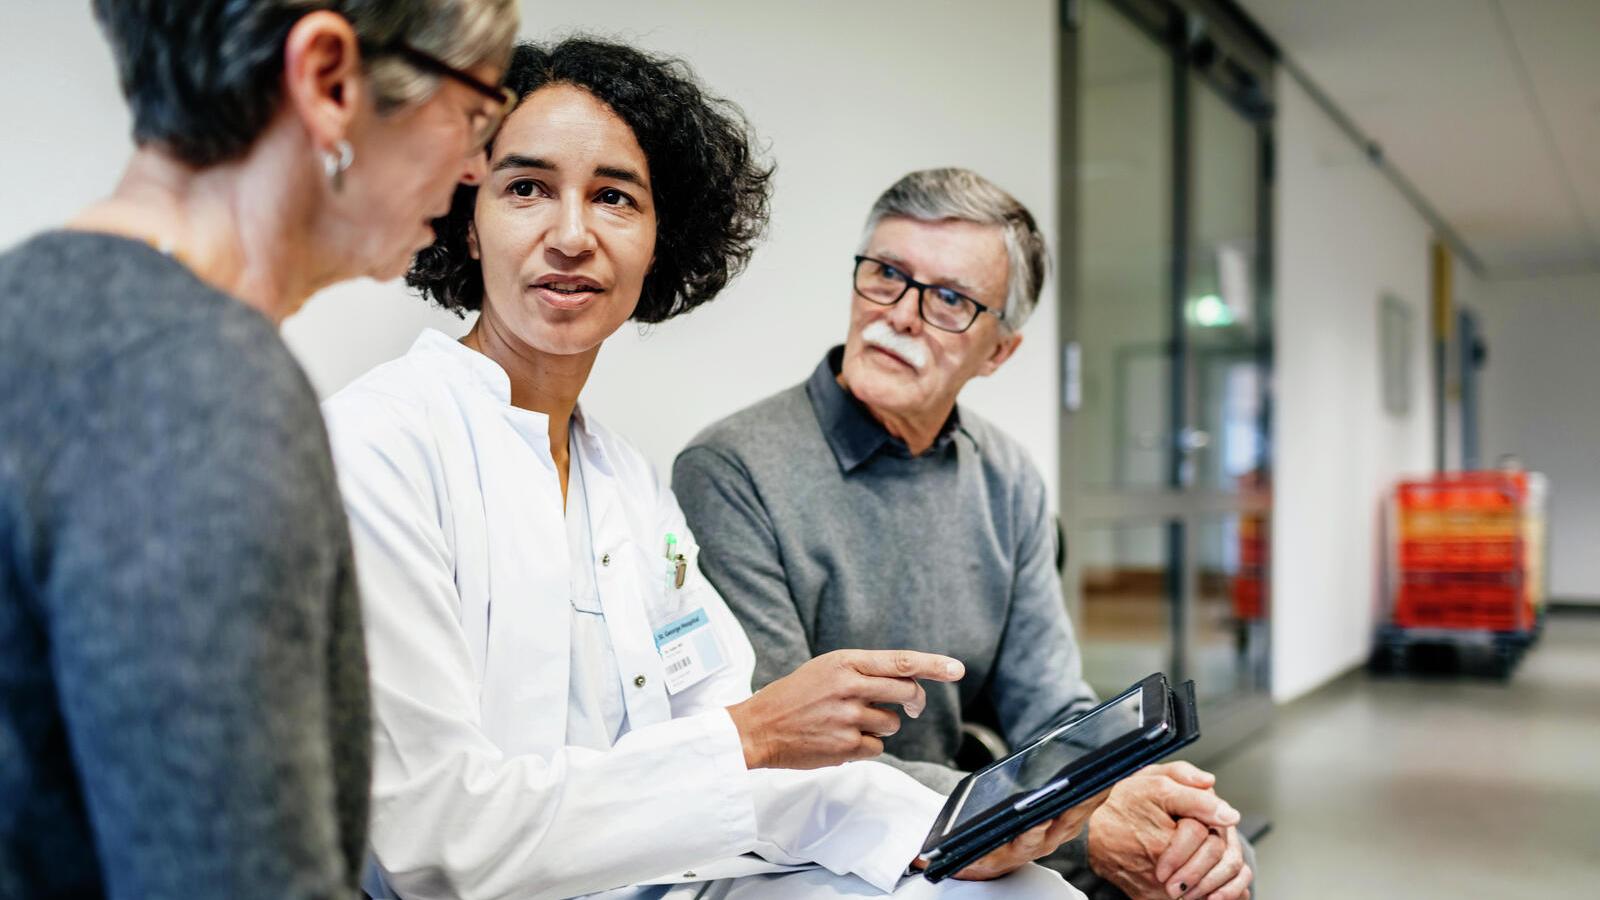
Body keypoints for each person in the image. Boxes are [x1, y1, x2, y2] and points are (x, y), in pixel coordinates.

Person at [323, 39, 1091, 900]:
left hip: (680, 876)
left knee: (1029, 893)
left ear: (659, 241)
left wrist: (950, 833)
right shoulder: (381, 447)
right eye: (526, 189)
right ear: (468, 216)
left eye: (614, 197)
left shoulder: (625, 483)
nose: (570, 236)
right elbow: (438, 843)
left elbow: (759, 761)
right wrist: (750, 736)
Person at [0, 2, 519, 899]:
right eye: (475, 112)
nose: (476, 164)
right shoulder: (197, 388)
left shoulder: (32, 309)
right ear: (329, 79)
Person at [673, 168, 1256, 900]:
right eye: (886, 274)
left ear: (998, 353)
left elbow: (1052, 709)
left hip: (970, 827)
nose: (903, 315)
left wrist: (1149, 807)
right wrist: (1078, 820)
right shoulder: (731, 469)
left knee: (1207, 865)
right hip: (801, 845)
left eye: (949, 298)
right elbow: (780, 751)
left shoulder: (1007, 476)